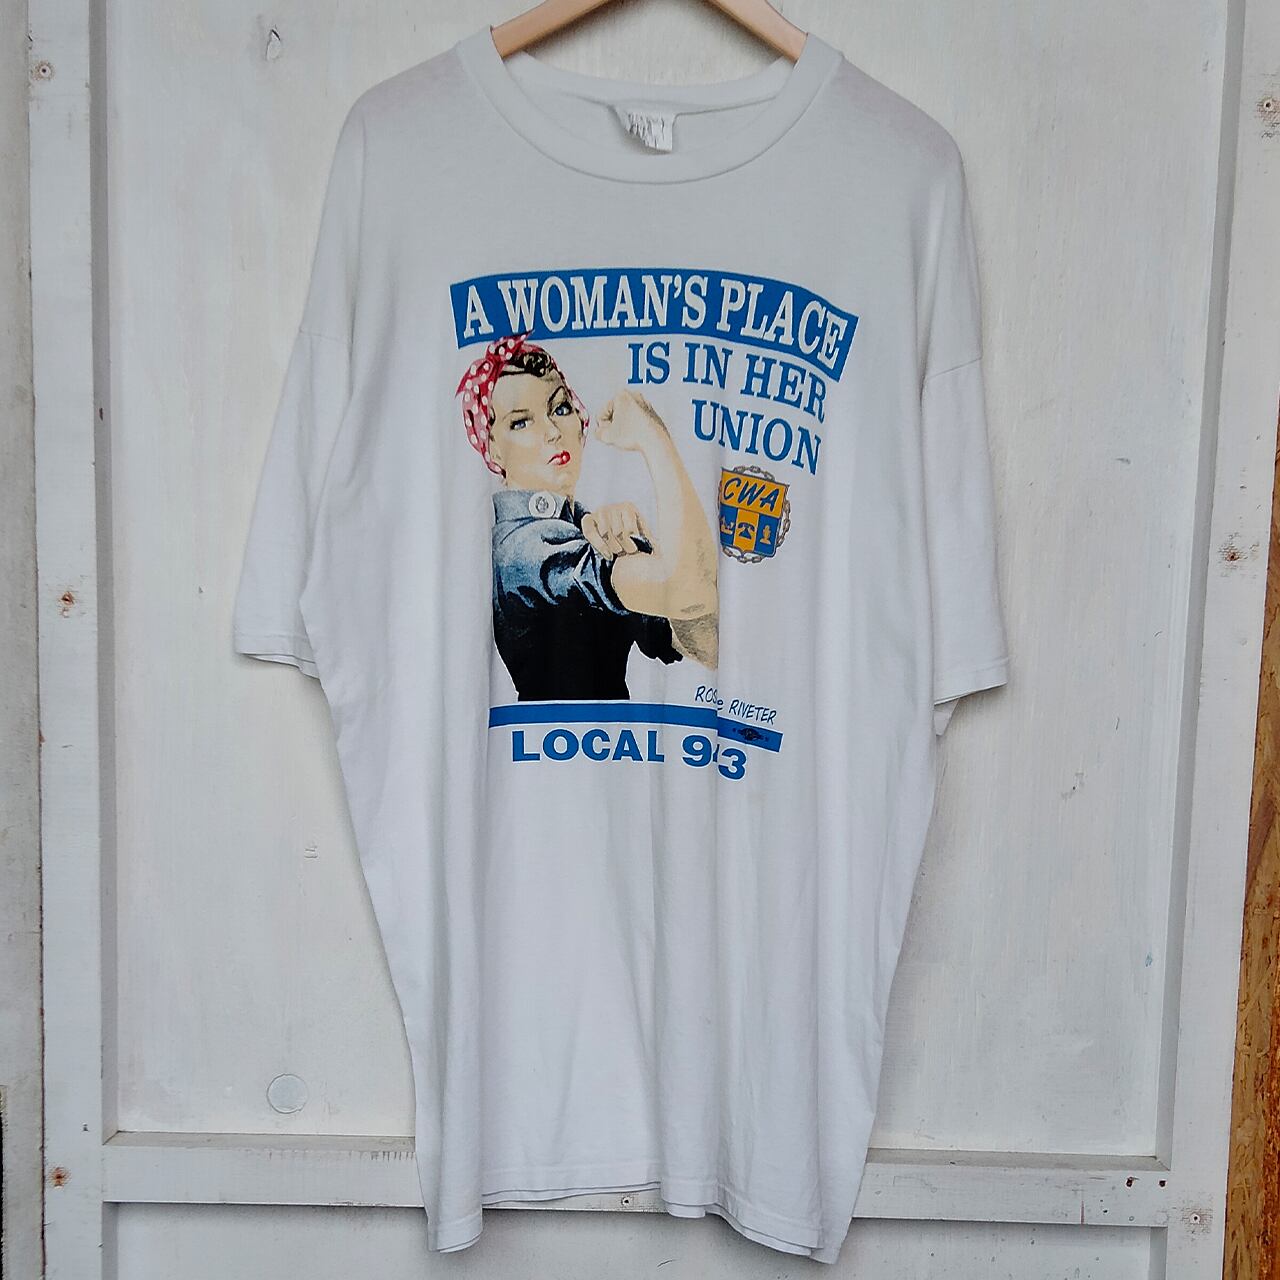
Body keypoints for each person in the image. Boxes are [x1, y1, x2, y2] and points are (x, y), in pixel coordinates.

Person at [456, 331, 718, 700]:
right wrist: (654, 438)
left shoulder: (580, 528)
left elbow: (708, 644)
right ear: (493, 450)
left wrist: (647, 549)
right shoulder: (525, 547)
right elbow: (688, 591)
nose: (552, 431)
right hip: (554, 737)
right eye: (521, 422)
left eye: (560, 409)